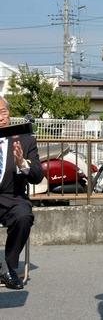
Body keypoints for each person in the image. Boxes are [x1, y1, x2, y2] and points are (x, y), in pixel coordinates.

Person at [0, 96, 44, 290]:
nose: (1, 118)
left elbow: (37, 176)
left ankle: (10, 267)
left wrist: (22, 164)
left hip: (13, 197)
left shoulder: (25, 140)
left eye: (3, 112)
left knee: (24, 216)